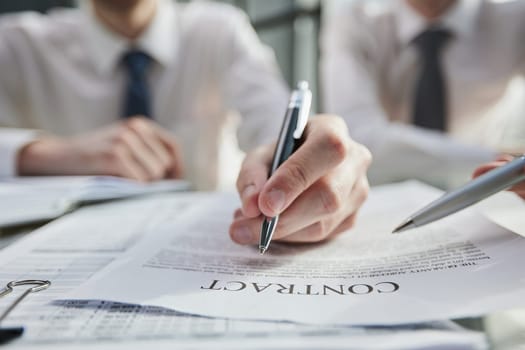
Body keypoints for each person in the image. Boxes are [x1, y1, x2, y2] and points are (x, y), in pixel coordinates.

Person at [0, 0, 372, 245]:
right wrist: (41, 154)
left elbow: (273, 125)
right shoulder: (16, 45)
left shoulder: (219, 30)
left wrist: (306, 162)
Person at [321, 0, 525, 187]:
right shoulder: (356, 23)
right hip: (381, 191)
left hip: (486, 191)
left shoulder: (513, 19)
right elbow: (359, 136)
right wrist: (500, 160)